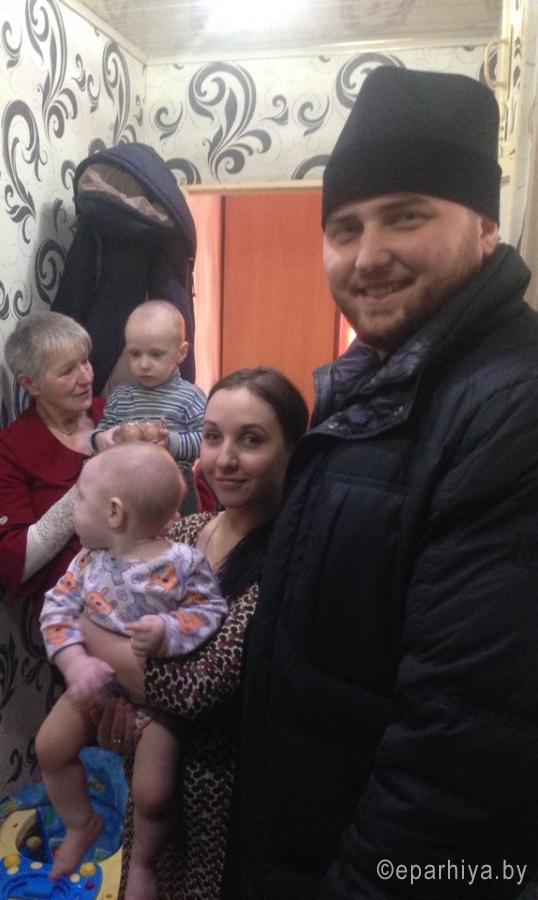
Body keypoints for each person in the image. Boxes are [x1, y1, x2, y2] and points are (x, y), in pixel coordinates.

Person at [229, 67, 538, 898]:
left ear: (483, 225)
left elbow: (460, 758)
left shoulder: (510, 407)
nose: (367, 257)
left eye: (406, 216)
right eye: (344, 228)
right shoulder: (377, 382)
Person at [80, 367, 310, 899]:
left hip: (219, 800)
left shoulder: (284, 566)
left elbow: (194, 688)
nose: (224, 459)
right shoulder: (183, 532)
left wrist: (86, 629)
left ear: (292, 452)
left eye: (250, 440)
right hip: (151, 777)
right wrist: (119, 712)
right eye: (212, 436)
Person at [36, 442, 227, 897]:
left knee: (153, 794)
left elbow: (211, 610)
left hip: (156, 704)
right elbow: (55, 611)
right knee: (50, 747)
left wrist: (168, 629)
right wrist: (74, 661)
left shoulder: (184, 563)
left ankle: (143, 862)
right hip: (97, 686)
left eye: (81, 499)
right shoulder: (87, 563)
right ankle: (81, 824)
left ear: (115, 513)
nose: (74, 509)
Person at [0, 310, 105, 617]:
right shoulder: (13, 448)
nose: (87, 377)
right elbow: (15, 559)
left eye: (85, 361)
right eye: (68, 371)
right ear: (30, 383)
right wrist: (83, 490)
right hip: (76, 615)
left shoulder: (112, 414)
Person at [90, 299, 207, 515]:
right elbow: (104, 430)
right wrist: (100, 439)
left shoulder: (191, 396)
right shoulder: (120, 397)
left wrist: (171, 443)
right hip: (127, 487)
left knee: (181, 534)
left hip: (177, 487)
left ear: (181, 353)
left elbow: (207, 440)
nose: (143, 364)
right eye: (135, 354)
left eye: (155, 354)